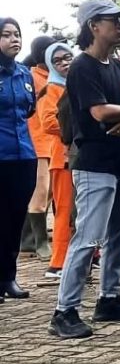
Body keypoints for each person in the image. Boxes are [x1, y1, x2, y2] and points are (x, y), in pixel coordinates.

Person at [50, 0, 120, 338]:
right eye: (114, 20)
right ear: (93, 26)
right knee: (88, 237)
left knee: (119, 233)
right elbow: (98, 112)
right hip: (96, 164)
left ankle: (110, 298)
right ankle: (65, 310)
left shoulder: (119, 67)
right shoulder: (83, 67)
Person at [0, 18, 37, 301]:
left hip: (24, 155)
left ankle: (8, 277)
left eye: (17, 34)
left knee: (15, 218)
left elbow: (29, 110)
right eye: (6, 35)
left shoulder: (25, 73)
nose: (14, 39)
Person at [37, 43, 74, 282]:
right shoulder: (51, 89)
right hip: (63, 158)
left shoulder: (76, 84)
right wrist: (77, 127)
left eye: (67, 57)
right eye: (57, 60)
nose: (64, 63)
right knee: (65, 211)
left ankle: (86, 256)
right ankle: (58, 262)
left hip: (80, 156)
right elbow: (48, 123)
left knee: (80, 212)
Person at [20, 34, 55, 261]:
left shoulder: (50, 77)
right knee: (40, 192)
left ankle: (29, 238)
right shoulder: (33, 77)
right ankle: (36, 242)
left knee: (48, 192)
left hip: (51, 142)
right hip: (38, 141)